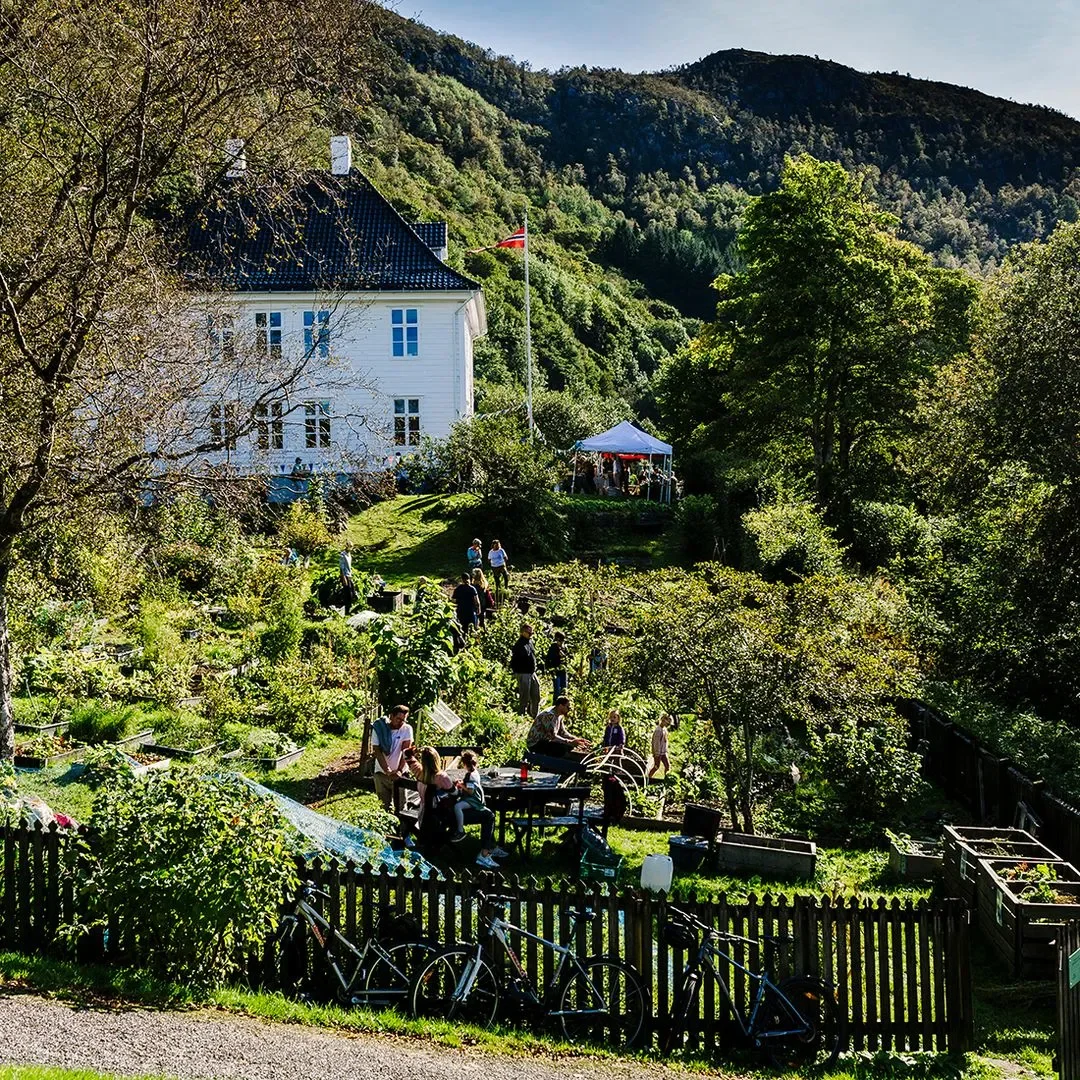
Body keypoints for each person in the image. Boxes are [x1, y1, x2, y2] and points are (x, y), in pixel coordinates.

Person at [451, 750, 508, 869]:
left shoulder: (469, 775)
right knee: (489, 815)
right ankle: (488, 849)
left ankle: (460, 830)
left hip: (472, 800)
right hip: (477, 800)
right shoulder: (475, 773)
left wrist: (461, 785)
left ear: (464, 763)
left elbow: (470, 791)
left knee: (458, 806)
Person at [410, 746, 457, 851]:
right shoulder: (441, 777)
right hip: (438, 814)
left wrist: (416, 750)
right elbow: (455, 792)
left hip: (423, 813)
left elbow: (406, 754)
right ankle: (456, 833)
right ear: (437, 759)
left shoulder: (418, 772)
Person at [372, 705, 414, 811]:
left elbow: (406, 752)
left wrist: (399, 771)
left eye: (403, 720)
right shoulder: (379, 729)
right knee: (383, 807)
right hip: (381, 773)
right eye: (398, 719)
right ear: (391, 716)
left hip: (400, 775)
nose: (401, 722)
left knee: (401, 807)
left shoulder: (407, 729)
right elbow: (377, 751)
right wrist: (388, 771)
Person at [510, 623, 541, 718]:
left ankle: (534, 715)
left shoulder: (530, 642)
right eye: (529, 633)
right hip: (523, 673)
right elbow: (514, 661)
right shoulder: (519, 645)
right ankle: (521, 715)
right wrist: (517, 672)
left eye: (532, 633)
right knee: (524, 696)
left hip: (532, 672)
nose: (531, 635)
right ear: (523, 632)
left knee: (536, 695)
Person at [648, 713, 672, 779]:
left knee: (667, 766)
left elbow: (665, 741)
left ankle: (666, 779)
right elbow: (656, 743)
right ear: (663, 720)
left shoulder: (664, 729)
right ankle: (648, 777)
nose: (667, 725)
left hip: (663, 752)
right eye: (667, 723)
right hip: (658, 752)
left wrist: (665, 750)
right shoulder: (658, 730)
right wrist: (656, 753)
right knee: (656, 766)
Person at [545, 631, 568, 699]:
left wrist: (564, 655)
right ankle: (556, 703)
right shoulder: (553, 647)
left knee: (564, 688)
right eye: (560, 641)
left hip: (563, 670)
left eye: (562, 641)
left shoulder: (564, 647)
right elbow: (549, 658)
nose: (561, 642)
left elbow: (567, 658)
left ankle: (563, 703)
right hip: (555, 670)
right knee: (557, 689)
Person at [339, 547, 356, 615]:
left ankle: (349, 609)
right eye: (350, 547)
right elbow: (341, 567)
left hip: (349, 575)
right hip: (345, 575)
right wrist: (343, 577)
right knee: (347, 594)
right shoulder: (343, 555)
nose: (351, 548)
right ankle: (346, 611)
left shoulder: (349, 555)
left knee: (352, 592)